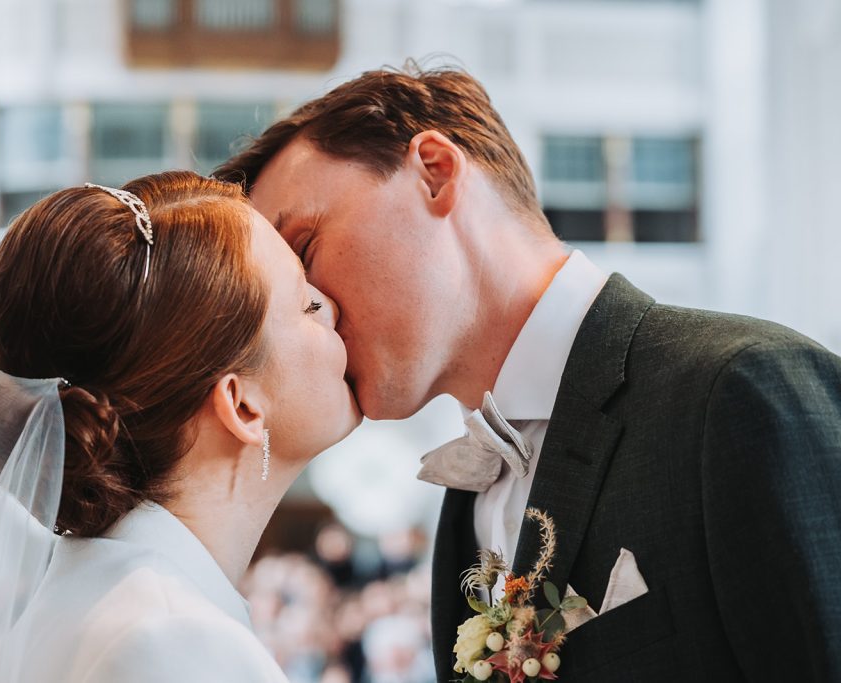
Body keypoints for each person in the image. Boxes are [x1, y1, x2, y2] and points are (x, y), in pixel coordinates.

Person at [214, 66, 841, 681]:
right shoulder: (464, 508)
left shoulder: (741, 391)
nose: (310, 310)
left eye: (303, 251)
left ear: (433, 172)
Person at [0, 171, 361, 682]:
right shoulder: (174, 642)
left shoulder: (104, 602)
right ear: (241, 407)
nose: (333, 308)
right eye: (307, 303)